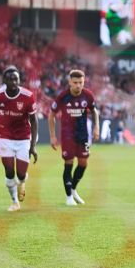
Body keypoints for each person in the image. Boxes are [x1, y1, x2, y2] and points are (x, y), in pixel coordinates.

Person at [0, 67, 38, 212]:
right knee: (8, 171)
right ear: (4, 81)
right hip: (5, 137)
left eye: (16, 79)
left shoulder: (28, 96)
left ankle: (22, 182)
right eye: (10, 79)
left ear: (19, 80)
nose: (13, 82)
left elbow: (34, 120)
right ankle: (14, 202)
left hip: (23, 138)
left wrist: (33, 146)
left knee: (21, 175)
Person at [48, 70, 99, 206]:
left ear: (84, 82)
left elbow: (94, 111)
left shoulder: (88, 95)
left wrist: (96, 128)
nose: (78, 85)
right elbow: (51, 115)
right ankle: (69, 196)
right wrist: (52, 136)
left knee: (83, 164)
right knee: (68, 164)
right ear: (70, 82)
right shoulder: (63, 97)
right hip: (67, 135)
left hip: (82, 135)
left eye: (80, 83)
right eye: (75, 82)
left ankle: (74, 189)